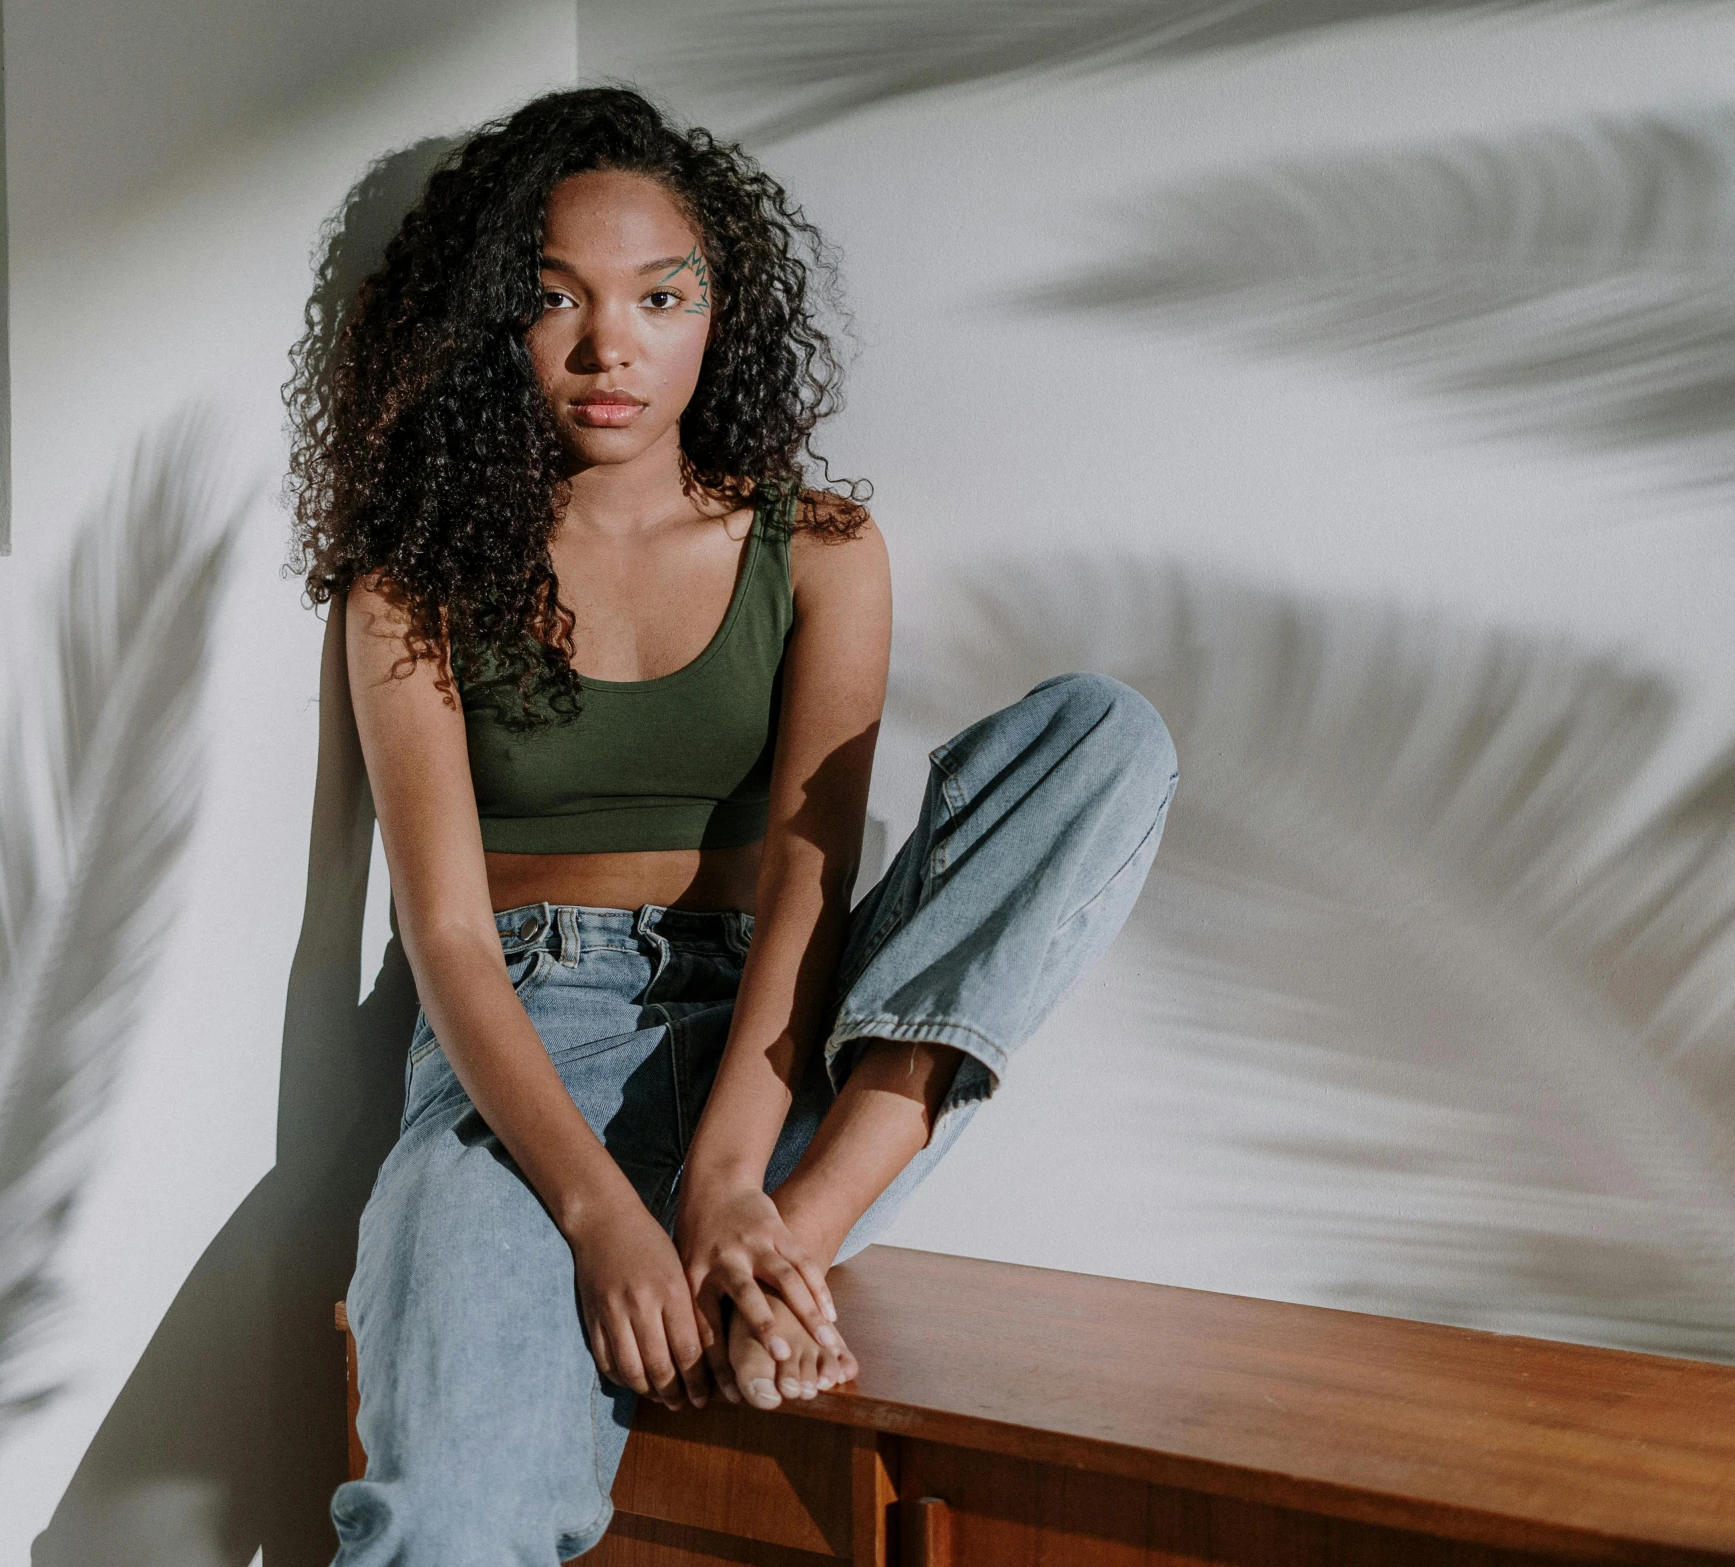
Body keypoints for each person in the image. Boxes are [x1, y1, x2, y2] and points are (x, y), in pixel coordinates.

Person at [284, 85, 1178, 1563]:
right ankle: (747, 1282)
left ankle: (783, 1247)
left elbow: (813, 878)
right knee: (440, 1522)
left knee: (1101, 733)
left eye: (659, 295)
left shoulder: (817, 548)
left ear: (721, 312)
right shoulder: (412, 583)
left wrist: (725, 1183)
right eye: (551, 298)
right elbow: (442, 930)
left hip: (795, 1041)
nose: (607, 344)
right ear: (484, 323)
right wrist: (602, 1216)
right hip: (520, 1072)